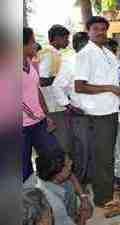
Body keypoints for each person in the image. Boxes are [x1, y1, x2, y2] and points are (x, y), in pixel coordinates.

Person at [71, 16, 120, 207]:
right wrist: (111, 88)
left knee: (107, 156)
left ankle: (106, 192)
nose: (101, 32)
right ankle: (104, 199)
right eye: (96, 29)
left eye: (104, 29)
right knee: (103, 158)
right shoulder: (85, 54)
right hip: (98, 114)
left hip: (110, 110)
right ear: (88, 31)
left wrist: (119, 87)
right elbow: (79, 86)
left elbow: (112, 79)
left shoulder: (107, 52)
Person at [22, 27, 60, 182]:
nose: (35, 45)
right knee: (23, 168)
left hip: (39, 122)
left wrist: (46, 115)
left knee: (53, 157)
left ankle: (52, 195)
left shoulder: (30, 63)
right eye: (32, 41)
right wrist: (34, 114)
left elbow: (37, 91)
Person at [24, 150, 93, 225]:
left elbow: (71, 175)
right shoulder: (54, 205)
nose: (71, 162)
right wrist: (83, 216)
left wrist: (83, 198)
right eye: (68, 164)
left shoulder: (45, 172)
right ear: (58, 174)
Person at [38, 25, 72, 153]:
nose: (68, 42)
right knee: (61, 139)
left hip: (56, 103)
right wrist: (61, 79)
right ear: (57, 38)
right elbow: (42, 80)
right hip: (52, 104)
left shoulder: (54, 53)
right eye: (66, 39)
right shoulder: (49, 54)